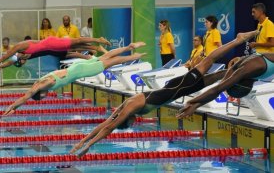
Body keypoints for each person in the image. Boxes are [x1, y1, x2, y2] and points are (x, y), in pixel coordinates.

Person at [70, 31, 259, 157]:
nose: (134, 123)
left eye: (129, 123)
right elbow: (106, 123)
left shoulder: (131, 108)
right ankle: (241, 64)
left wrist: (89, 146)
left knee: (209, 59)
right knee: (220, 76)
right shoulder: (123, 108)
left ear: (129, 120)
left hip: (182, 87)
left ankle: (238, 40)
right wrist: (82, 141)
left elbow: (109, 128)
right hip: (178, 87)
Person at [2, 42, 147, 116]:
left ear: (41, 94)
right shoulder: (41, 81)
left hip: (81, 70)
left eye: (42, 96)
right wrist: (13, 107)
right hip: (77, 66)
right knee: (106, 56)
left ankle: (134, 56)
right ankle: (129, 46)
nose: (46, 96)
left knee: (111, 61)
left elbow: (26, 96)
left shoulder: (44, 85)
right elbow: (28, 94)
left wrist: (12, 107)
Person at [177, 35, 274, 119]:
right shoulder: (243, 70)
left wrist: (191, 102)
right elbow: (217, 83)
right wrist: (193, 104)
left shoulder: (245, 70)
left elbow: (217, 89)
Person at [0, 36, 111, 72]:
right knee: (72, 48)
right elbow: (10, 61)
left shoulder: (19, 47)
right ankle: (95, 48)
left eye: (21, 61)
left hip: (51, 44)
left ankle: (97, 40)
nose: (22, 61)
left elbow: (5, 57)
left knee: (75, 42)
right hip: (52, 49)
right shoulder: (24, 55)